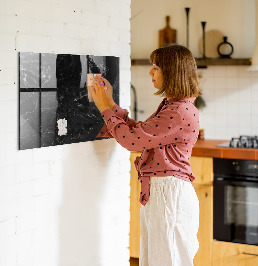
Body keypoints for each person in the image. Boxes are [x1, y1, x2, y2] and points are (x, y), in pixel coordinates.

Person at [89, 44, 201, 266]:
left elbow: (132, 141)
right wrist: (110, 103)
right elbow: (140, 133)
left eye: (156, 67)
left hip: (169, 195)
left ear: (172, 72)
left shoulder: (178, 111)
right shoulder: (174, 106)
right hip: (164, 193)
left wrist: (104, 108)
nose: (150, 72)